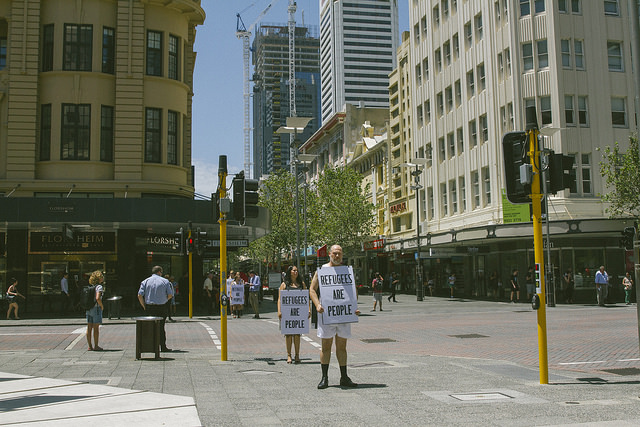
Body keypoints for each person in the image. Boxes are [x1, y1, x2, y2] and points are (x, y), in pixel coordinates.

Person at [309, 244, 360, 389]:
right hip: (327, 314)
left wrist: (354, 307)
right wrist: (317, 304)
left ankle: (344, 377)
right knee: (326, 346)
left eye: (339, 253)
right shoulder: (322, 270)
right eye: (335, 253)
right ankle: (324, 378)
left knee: (342, 347)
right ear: (329, 254)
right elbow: (312, 289)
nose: (337, 256)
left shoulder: (347, 271)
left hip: (343, 314)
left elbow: (353, 290)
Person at [277, 265, 309, 364]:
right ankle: (289, 355)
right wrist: (279, 311)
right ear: (289, 272)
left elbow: (306, 297)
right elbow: (279, 299)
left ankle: (297, 355)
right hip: (287, 313)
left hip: (298, 313)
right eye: (294, 270)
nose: (296, 272)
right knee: (288, 334)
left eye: (297, 271)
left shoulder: (301, 284)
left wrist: (308, 309)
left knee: (297, 334)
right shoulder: (284, 285)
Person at [138, 265, 174, 352]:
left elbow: (139, 295)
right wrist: (164, 300)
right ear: (159, 272)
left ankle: (151, 346)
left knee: (150, 327)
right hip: (161, 307)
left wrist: (144, 306)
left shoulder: (145, 281)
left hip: (149, 307)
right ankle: (163, 346)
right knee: (161, 327)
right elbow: (170, 295)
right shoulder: (165, 281)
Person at [86, 270, 105, 351]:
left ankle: (90, 346)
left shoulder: (90, 286)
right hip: (96, 308)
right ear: (99, 278)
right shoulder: (99, 287)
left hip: (88, 308)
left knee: (89, 327)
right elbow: (97, 298)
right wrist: (101, 306)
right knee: (96, 328)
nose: (103, 278)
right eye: (101, 277)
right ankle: (96, 346)